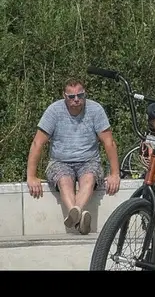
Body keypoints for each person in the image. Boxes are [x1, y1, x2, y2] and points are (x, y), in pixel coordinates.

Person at [26, 78, 121, 234]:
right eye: (71, 97)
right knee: (64, 180)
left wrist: (115, 174)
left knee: (89, 178)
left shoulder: (95, 110)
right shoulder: (54, 111)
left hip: (89, 160)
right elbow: (37, 143)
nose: (76, 100)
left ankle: (74, 214)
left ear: (85, 94)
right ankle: (78, 217)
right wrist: (31, 176)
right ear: (65, 96)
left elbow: (109, 142)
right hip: (59, 161)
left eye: (80, 95)